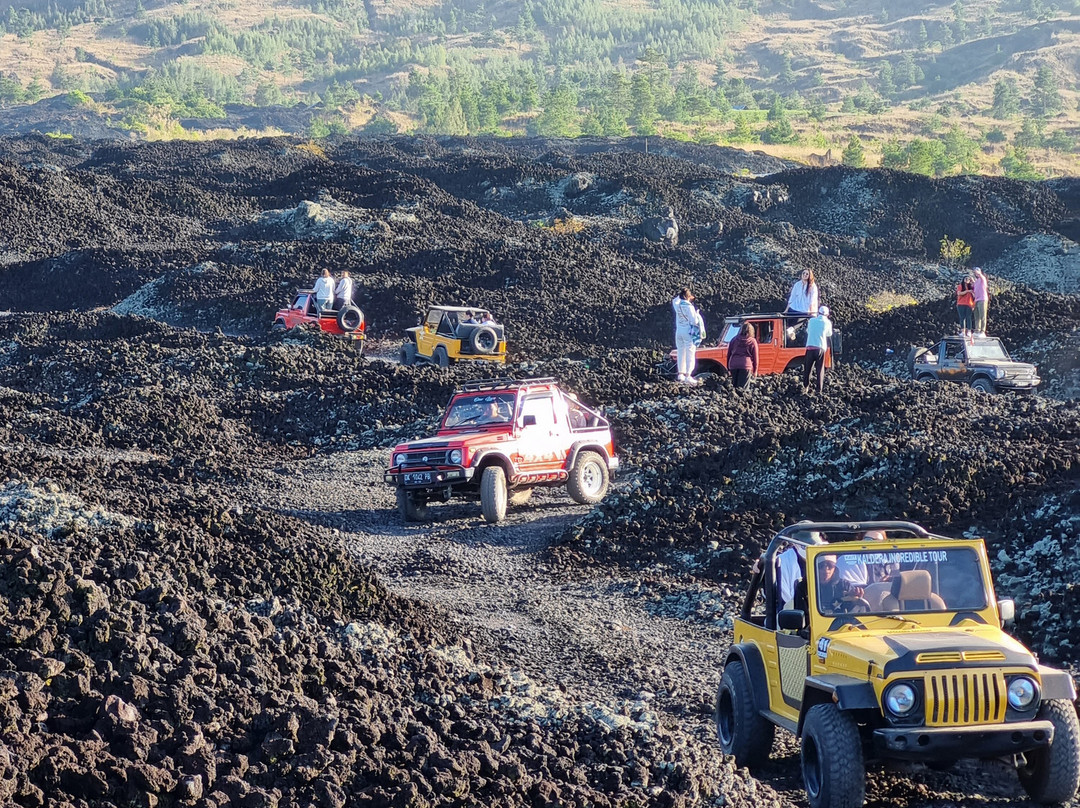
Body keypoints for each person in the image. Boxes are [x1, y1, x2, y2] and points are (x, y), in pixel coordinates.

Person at [671, 288, 706, 385]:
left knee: (681, 352)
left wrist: (680, 294)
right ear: (688, 297)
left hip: (678, 331)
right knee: (690, 352)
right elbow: (694, 321)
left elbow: (674, 300)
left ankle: (680, 374)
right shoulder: (689, 307)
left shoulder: (677, 305)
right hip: (687, 332)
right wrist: (698, 315)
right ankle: (688, 375)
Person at [803, 305, 833, 394]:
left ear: (818, 313)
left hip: (810, 347)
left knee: (807, 368)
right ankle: (818, 390)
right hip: (820, 348)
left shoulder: (811, 321)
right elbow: (829, 334)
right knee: (820, 369)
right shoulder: (827, 323)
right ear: (827, 314)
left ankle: (806, 387)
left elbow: (808, 331)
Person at [727, 322, 759, 392]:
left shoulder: (734, 339)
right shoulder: (752, 341)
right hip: (745, 365)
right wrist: (755, 371)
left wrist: (728, 368)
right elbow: (755, 357)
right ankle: (741, 401)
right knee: (743, 389)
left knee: (734, 387)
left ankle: (733, 400)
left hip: (733, 365)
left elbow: (729, 354)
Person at [972, 267, 990, 336]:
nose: (975, 273)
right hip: (976, 300)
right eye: (974, 272)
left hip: (982, 299)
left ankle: (982, 331)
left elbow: (981, 276)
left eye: (976, 271)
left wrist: (979, 273)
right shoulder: (976, 282)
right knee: (977, 316)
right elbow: (975, 289)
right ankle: (977, 330)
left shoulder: (983, 279)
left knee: (982, 315)